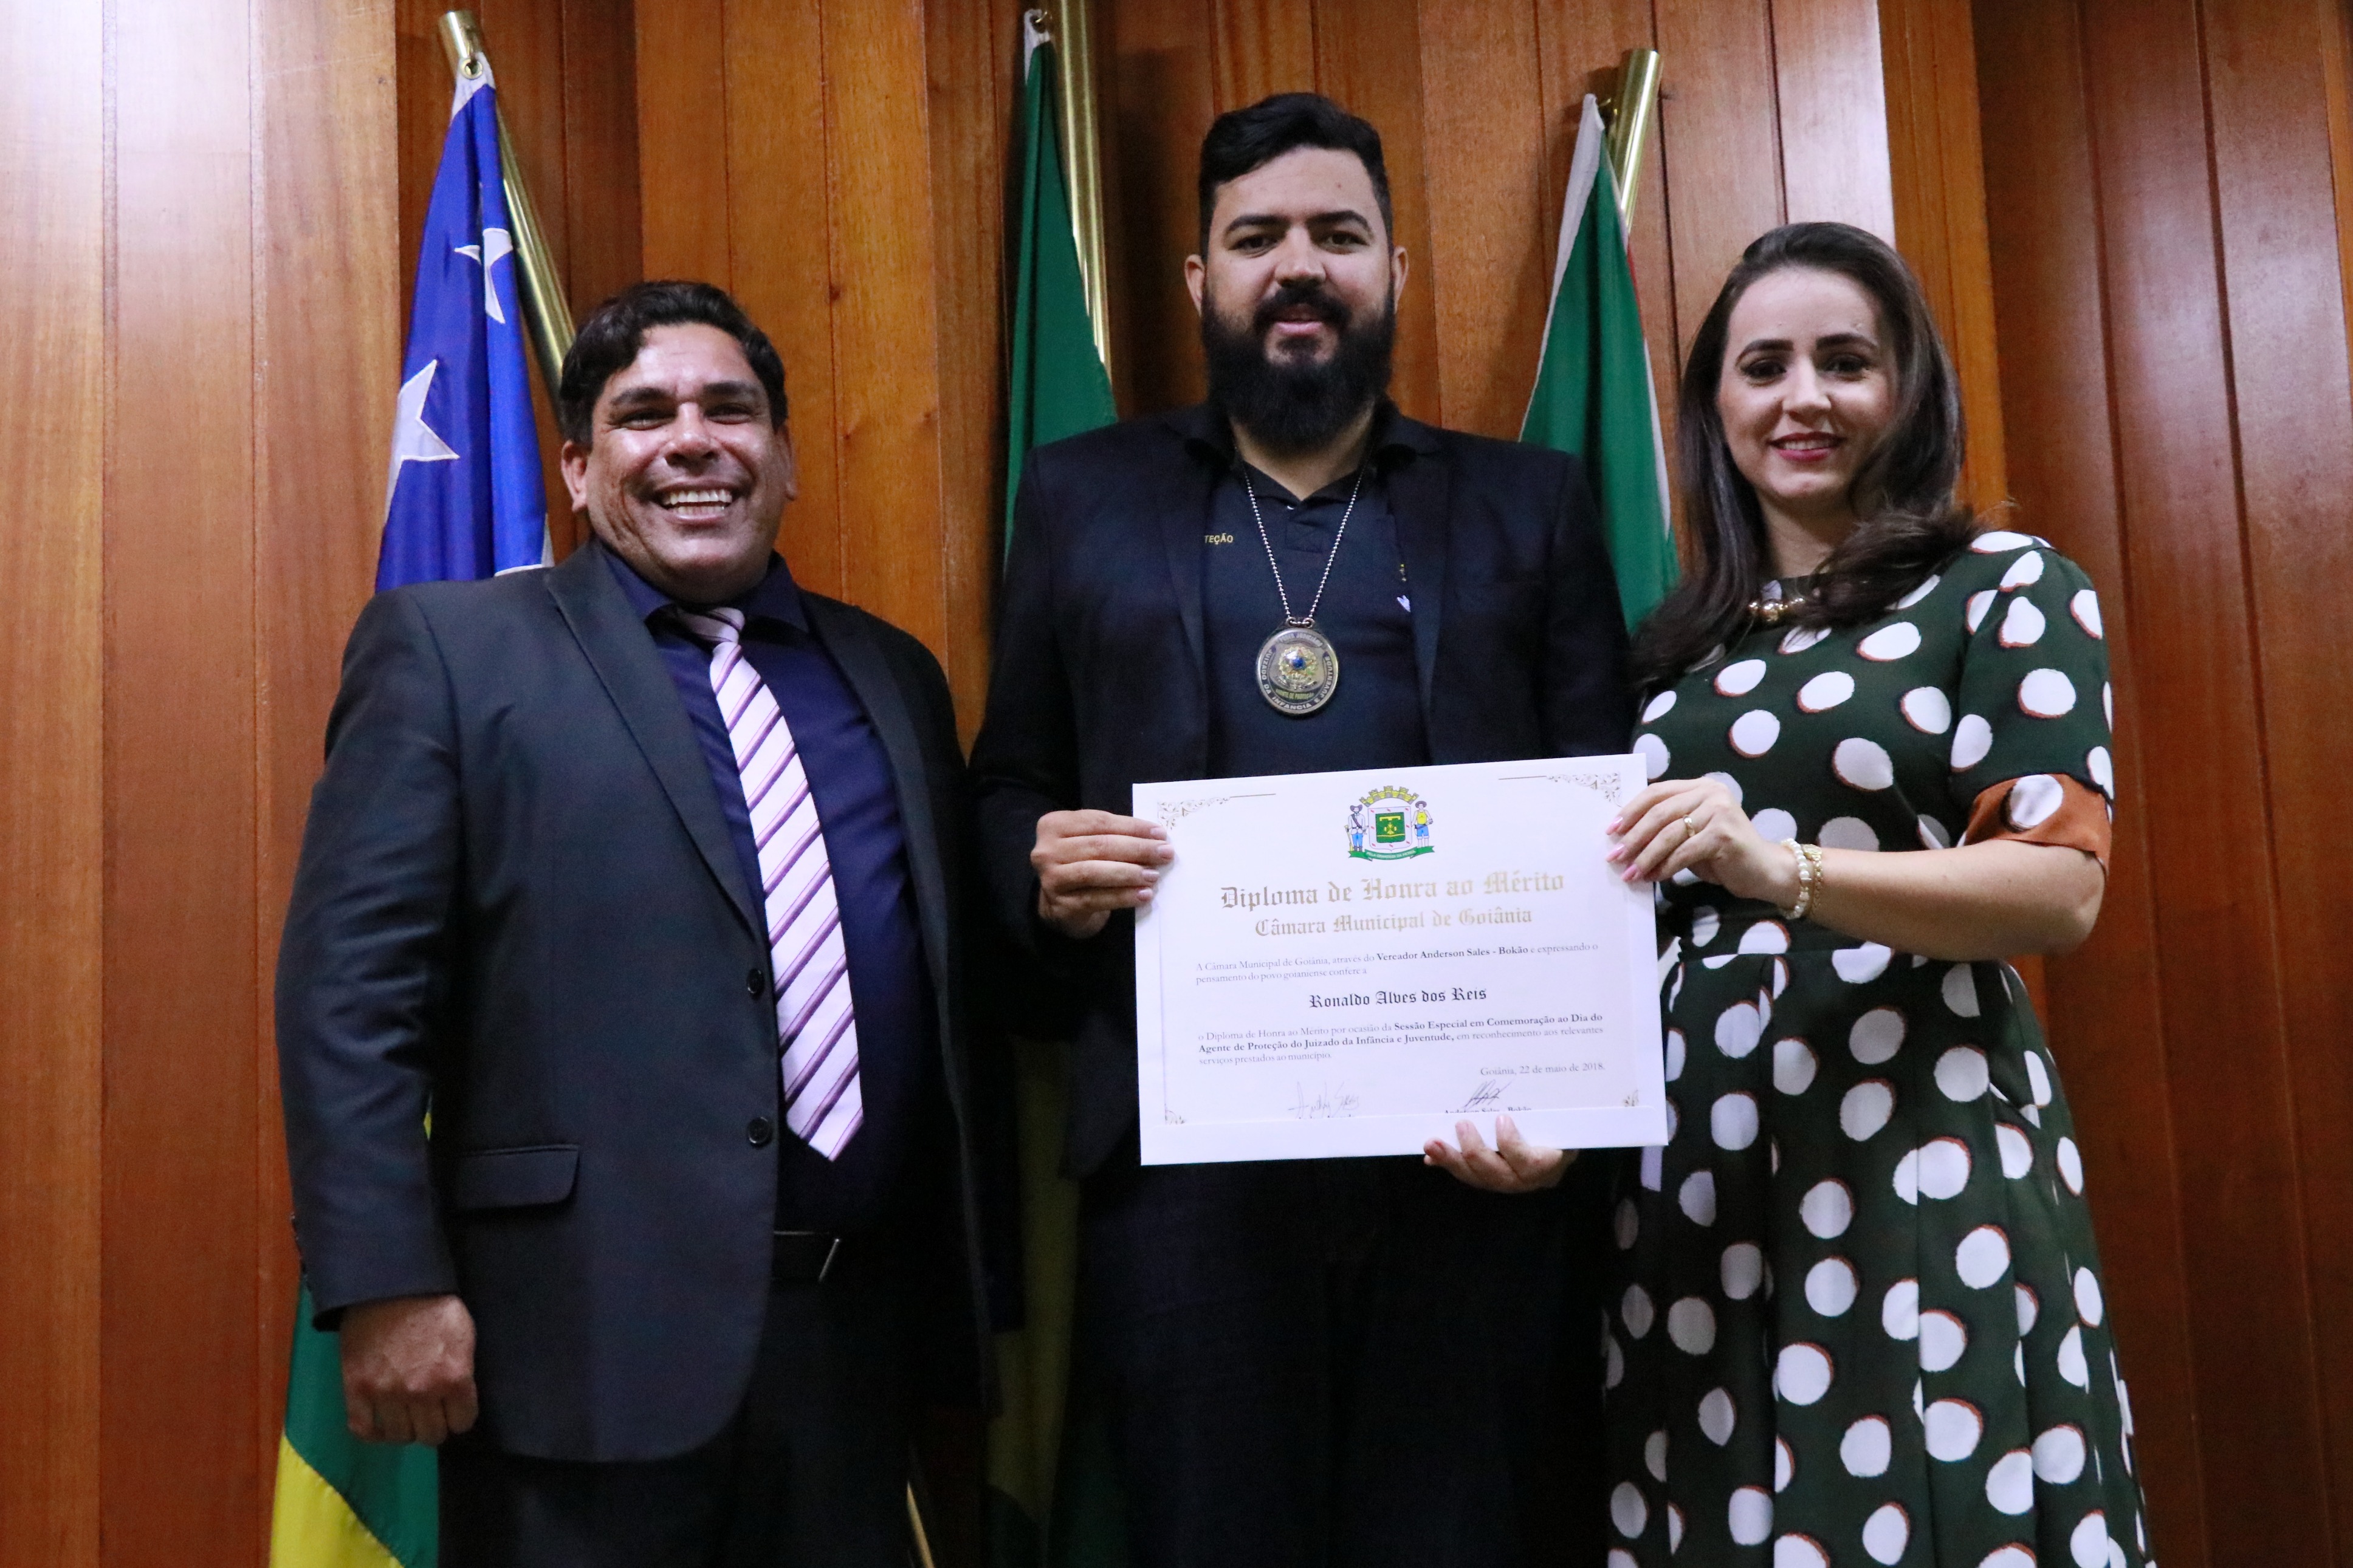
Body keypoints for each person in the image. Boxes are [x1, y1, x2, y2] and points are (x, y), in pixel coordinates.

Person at [970, 93, 1632, 1566]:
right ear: (1198, 278)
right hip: (1187, 1169)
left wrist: (1571, 1114)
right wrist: (1046, 873)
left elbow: (1604, 823)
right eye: (1255, 236)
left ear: (1393, 269)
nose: (1298, 266)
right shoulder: (1081, 499)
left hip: (1468, 1163)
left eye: (1337, 234)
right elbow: (1008, 779)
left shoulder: (1528, 506)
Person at [277, 280, 994, 1567]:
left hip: (856, 1354)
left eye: (731, 409)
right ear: (576, 466)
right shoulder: (451, 654)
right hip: (575, 1353)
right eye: (645, 414)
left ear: (784, 457)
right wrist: (385, 1278)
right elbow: (351, 996)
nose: (693, 441)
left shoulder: (892, 676)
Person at [1601, 222, 2148, 1567]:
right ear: (1713, 405)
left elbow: (2055, 889)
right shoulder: (1666, 650)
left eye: (1846, 362)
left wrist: (1780, 868)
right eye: (1763, 367)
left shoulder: (2004, 587)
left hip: (1915, 1144)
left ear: (1908, 388)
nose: (1803, 398)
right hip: (1692, 1178)